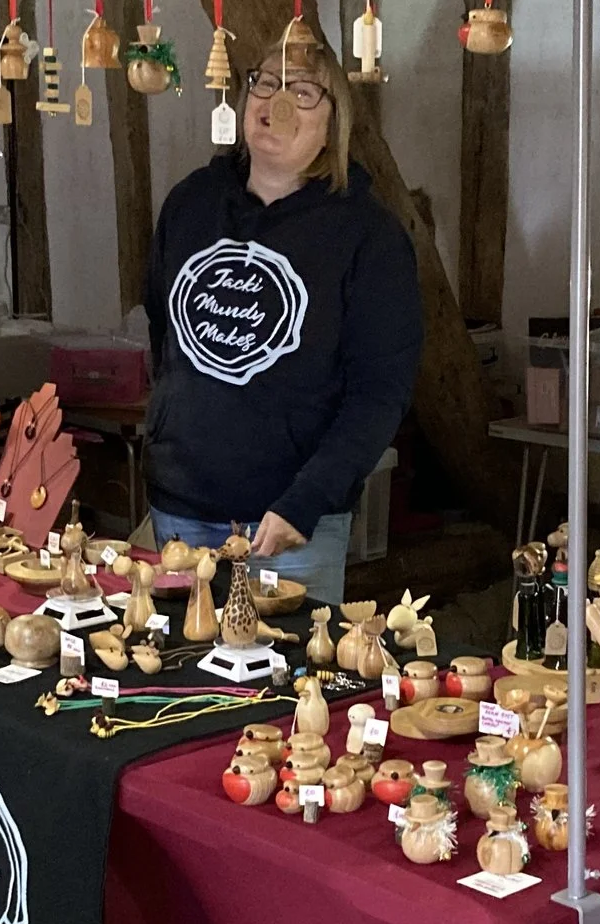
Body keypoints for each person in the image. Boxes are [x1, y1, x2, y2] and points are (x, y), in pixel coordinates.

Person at [141, 37, 422, 606]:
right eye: (265, 83)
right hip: (180, 509)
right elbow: (162, 333)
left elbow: (379, 395)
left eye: (303, 91)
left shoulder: (368, 238)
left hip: (290, 527)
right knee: (174, 679)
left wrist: (307, 499)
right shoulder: (191, 204)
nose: (277, 103)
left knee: (288, 687)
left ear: (333, 122)